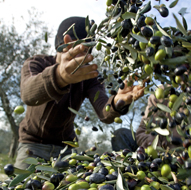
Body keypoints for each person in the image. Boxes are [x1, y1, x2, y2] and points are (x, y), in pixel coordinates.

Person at [14, 16, 144, 170]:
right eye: (75, 46)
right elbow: (28, 93)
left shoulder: (89, 76)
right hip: (32, 147)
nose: (79, 54)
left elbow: (104, 111)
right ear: (61, 44)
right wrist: (59, 77)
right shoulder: (37, 63)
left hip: (66, 151)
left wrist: (116, 103)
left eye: (86, 49)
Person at [136, 85, 191, 175]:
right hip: (165, 164)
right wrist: (160, 153)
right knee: (122, 134)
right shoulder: (162, 94)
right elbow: (142, 132)